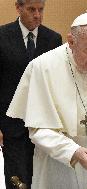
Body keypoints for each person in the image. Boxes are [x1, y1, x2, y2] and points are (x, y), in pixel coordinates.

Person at [6, 12, 87, 189]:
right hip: (59, 162)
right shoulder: (43, 67)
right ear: (71, 41)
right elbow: (38, 128)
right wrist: (72, 151)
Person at [0, 0, 62, 188]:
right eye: (31, 9)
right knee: (17, 181)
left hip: (44, 126)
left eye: (41, 10)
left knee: (42, 180)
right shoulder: (2, 36)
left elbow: (57, 85)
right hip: (12, 126)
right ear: (18, 8)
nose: (37, 15)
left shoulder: (53, 39)